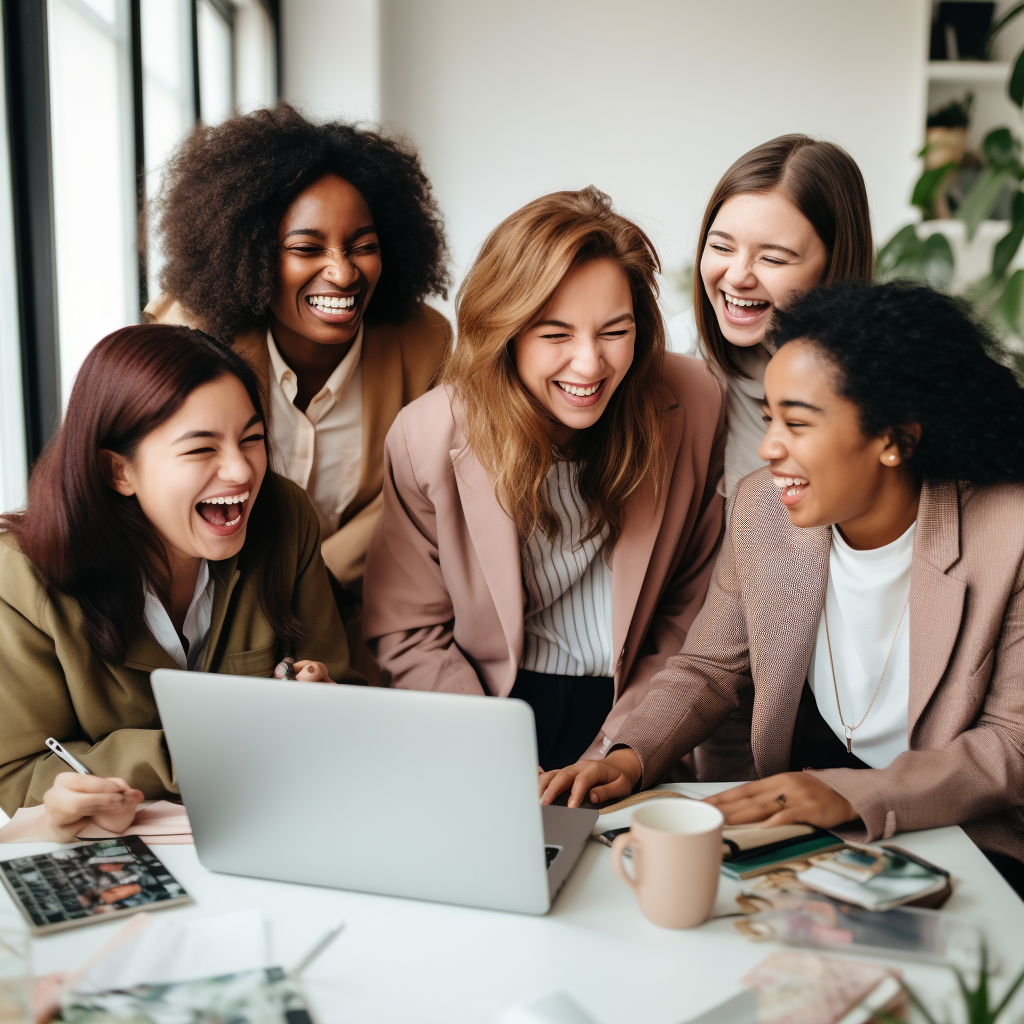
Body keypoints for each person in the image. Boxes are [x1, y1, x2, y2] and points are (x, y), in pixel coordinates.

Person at [539, 279, 1024, 892]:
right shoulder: (763, 511)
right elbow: (709, 668)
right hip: (804, 843)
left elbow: (1012, 746)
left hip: (968, 844)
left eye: (797, 424)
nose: (768, 449)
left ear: (895, 439)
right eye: (770, 420)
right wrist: (628, 756)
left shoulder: (1010, 533)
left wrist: (844, 795)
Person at [363, 187, 727, 771]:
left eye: (615, 331)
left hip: (635, 706)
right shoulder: (425, 435)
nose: (589, 364)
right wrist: (490, 752)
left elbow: (690, 613)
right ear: (505, 332)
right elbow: (409, 631)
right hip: (483, 708)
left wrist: (626, 750)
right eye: (555, 335)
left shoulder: (694, 402)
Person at [0, 323, 362, 841]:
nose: (240, 471)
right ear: (117, 471)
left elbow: (342, 699)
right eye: (200, 450)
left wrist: (329, 702)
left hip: (278, 829)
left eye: (253, 439)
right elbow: (15, 777)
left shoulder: (284, 515)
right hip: (118, 857)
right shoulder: (19, 574)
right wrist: (202, 751)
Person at [146, 103, 452, 678]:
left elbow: (421, 492)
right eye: (307, 249)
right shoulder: (191, 336)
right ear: (252, 255)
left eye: (362, 244)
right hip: (214, 625)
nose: (342, 273)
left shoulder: (423, 343)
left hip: (359, 624)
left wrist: (316, 576)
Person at [694, 134, 874, 495]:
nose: (737, 276)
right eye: (721, 247)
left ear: (834, 265)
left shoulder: (885, 386)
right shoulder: (672, 360)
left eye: (773, 258)